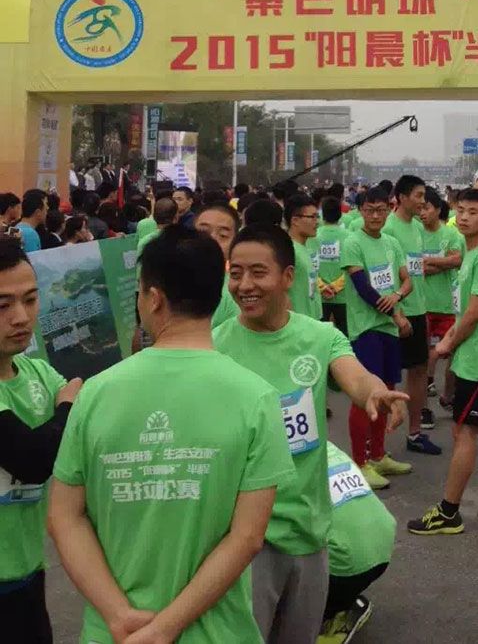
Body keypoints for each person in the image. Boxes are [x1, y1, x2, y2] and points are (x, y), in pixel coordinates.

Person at [48, 226, 294, 644]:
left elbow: (64, 516)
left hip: (115, 633)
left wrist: (118, 615)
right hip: (217, 634)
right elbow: (248, 537)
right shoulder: (256, 398)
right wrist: (167, 628)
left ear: (154, 298)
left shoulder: (94, 394)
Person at [213, 223, 407, 644]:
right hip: (244, 539)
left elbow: (356, 377)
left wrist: (375, 392)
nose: (244, 285)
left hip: (309, 530)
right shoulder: (215, 347)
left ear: (288, 277)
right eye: (236, 273)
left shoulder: (321, 336)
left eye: (258, 273)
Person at [408, 189, 478, 534]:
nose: (464, 217)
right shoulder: (472, 252)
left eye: (473, 212)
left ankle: (449, 511)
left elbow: (475, 314)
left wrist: (447, 343)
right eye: (461, 210)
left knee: (464, 433)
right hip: (476, 358)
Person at [0, 239, 80, 643]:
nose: (21, 317)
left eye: (30, 300)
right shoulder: (55, 389)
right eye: (3, 306)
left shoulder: (38, 374)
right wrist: (66, 407)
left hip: (28, 571)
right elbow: (30, 458)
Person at [341, 187, 415, 488]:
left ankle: (379, 455)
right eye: (369, 210)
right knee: (364, 397)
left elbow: (407, 280)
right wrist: (396, 314)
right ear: (360, 211)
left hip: (388, 331)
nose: (375, 216)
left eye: (381, 210)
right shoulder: (352, 242)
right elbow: (364, 288)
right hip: (365, 329)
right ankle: (360, 462)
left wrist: (398, 295)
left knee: (387, 393)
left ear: (389, 209)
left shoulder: (392, 243)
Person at [383, 175, 441, 445]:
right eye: (418, 196)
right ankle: (378, 444)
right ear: (402, 197)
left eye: (424, 196)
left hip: (420, 310)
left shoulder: (418, 228)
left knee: (418, 370)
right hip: (397, 313)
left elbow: (416, 269)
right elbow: (389, 275)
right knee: (387, 377)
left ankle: (415, 432)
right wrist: (398, 312)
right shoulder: (389, 229)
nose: (422, 201)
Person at [320, 441, 396, 643]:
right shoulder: (325, 444)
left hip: (344, 568)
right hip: (381, 547)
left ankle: (332, 618)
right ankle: (343, 604)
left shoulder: (269, 458)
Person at [419, 188, 463, 408]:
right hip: (421, 306)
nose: (422, 213)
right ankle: (425, 403)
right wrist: (442, 263)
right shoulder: (415, 233)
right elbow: (414, 268)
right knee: (424, 357)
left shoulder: (451, 234)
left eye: (426, 208)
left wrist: (428, 262)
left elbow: (457, 260)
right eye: (419, 208)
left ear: (438, 209)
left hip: (447, 305)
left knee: (453, 351)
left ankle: (448, 394)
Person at [195, 203, 242, 330]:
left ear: (234, 243)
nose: (212, 240)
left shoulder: (238, 291)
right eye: (203, 232)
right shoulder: (169, 283)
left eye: (223, 235)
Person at [285, 193, 323, 322]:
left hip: (312, 321)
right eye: (312, 217)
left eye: (317, 217)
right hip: (298, 324)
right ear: (295, 220)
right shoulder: (289, 250)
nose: (317, 222)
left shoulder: (304, 248)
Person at [318, 196, 350, 336]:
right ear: (340, 214)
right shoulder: (350, 237)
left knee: (320, 337)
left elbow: (310, 266)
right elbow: (352, 267)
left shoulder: (313, 236)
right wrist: (336, 286)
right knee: (345, 336)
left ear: (322, 214)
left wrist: (322, 286)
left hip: (319, 296)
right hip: (344, 296)